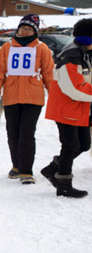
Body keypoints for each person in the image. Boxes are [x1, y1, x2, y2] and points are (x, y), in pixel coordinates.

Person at [0, 14, 55, 185]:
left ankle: (27, 171)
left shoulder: (42, 49)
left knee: (26, 134)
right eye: (22, 28)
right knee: (13, 134)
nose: (25, 32)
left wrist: (54, 95)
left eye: (29, 29)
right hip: (11, 96)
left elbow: (48, 74)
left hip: (33, 98)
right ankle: (16, 166)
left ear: (34, 31)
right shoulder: (6, 47)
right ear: (18, 30)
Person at [41, 18, 92, 198]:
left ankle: (53, 168)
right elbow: (74, 89)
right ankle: (63, 184)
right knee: (71, 145)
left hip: (79, 107)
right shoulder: (71, 57)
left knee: (84, 144)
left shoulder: (83, 52)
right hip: (66, 108)